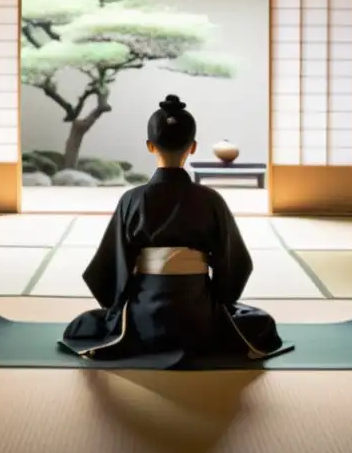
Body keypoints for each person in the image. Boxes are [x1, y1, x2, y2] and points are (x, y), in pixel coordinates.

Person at [60, 94, 289, 368]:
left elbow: (109, 266)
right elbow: (235, 263)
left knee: (83, 326)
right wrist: (220, 300)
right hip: (199, 315)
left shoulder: (132, 200)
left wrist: (118, 304)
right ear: (192, 148)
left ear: (149, 146)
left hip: (142, 316)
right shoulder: (210, 200)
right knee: (259, 323)